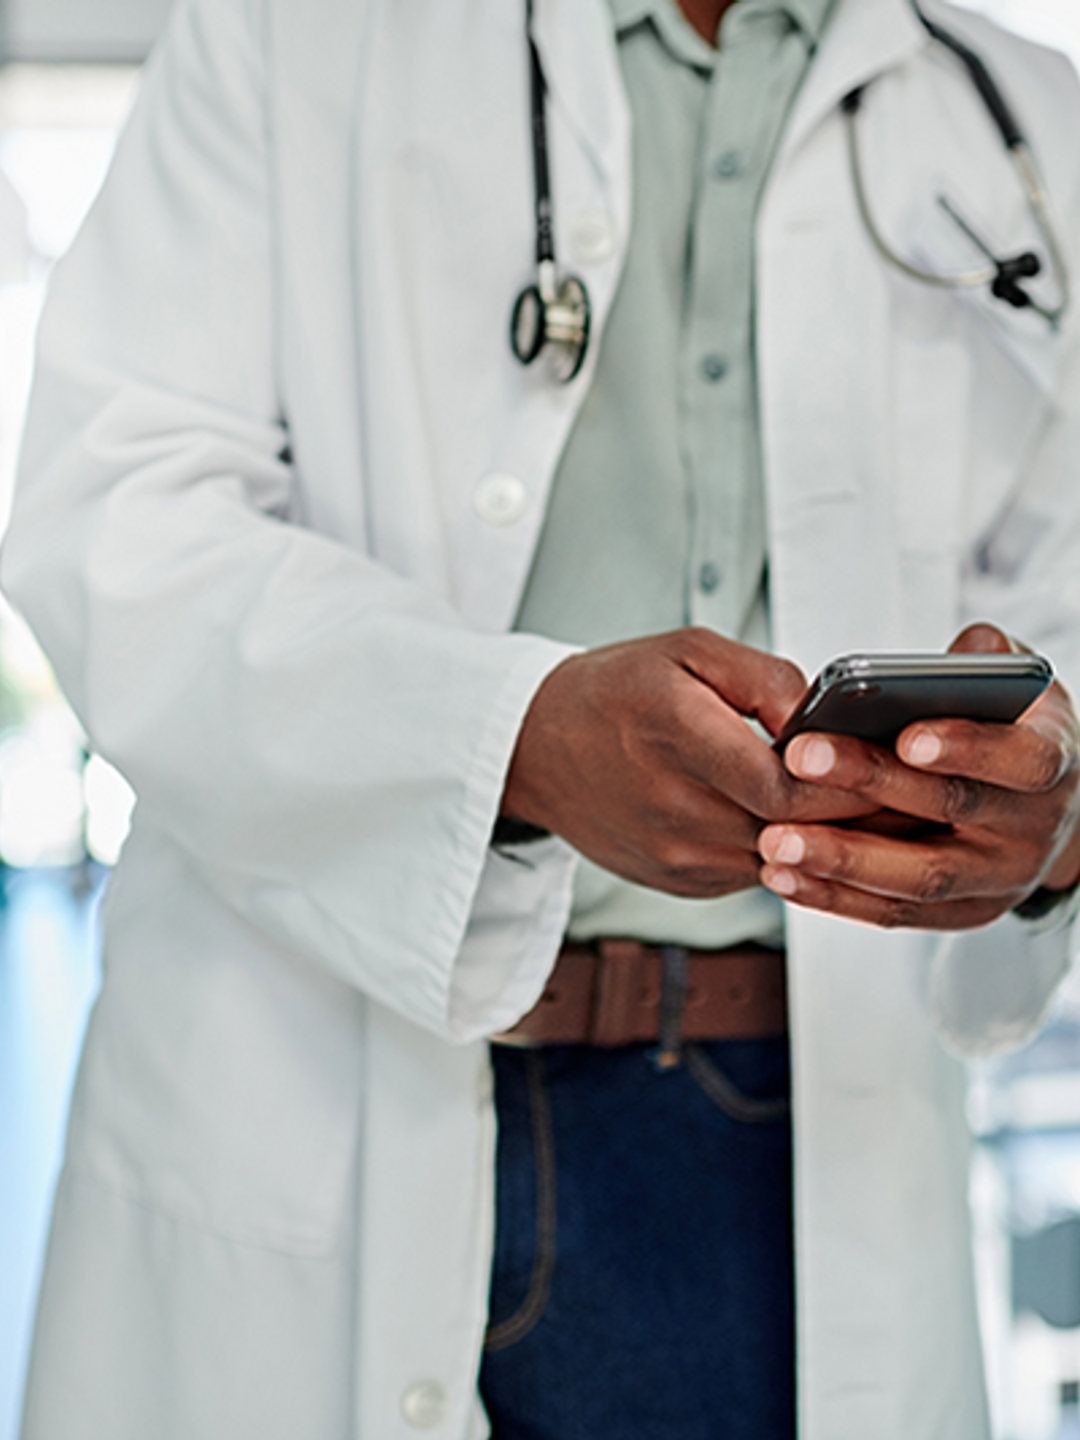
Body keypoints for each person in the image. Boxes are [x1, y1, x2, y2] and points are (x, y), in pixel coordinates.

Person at [5, 0, 1080, 1435]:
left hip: (791, 1141)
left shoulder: (1024, 115)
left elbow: (1056, 636)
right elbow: (117, 523)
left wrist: (1040, 820)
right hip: (321, 1092)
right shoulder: (287, 34)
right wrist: (514, 737)